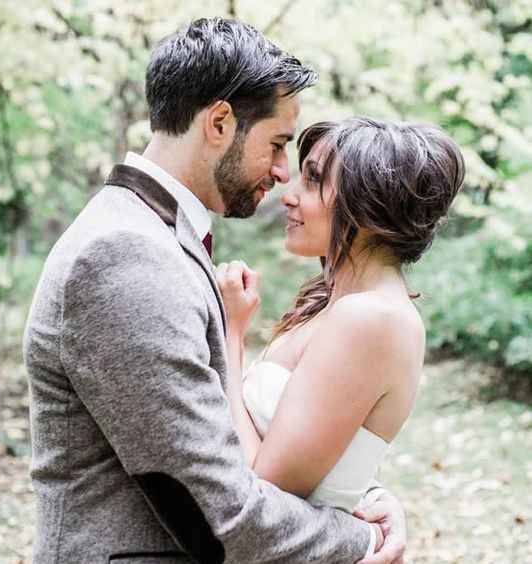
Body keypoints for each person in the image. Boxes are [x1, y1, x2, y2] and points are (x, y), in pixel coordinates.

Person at [23, 19, 406, 564]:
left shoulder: (154, 234)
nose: (281, 172)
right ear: (220, 123)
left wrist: (358, 496)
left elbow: (222, 439)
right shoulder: (123, 255)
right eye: (277, 144)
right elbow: (218, 514)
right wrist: (359, 538)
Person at [217, 117, 465, 531]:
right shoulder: (337, 305)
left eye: (313, 181)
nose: (289, 195)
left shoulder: (372, 318)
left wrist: (231, 335)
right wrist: (374, 494)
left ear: (370, 205)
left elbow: (261, 493)